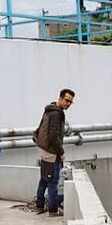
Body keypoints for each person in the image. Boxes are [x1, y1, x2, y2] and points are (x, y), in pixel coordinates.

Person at [33, 88, 75, 217]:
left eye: (71, 102)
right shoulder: (57, 114)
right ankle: (53, 210)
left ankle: (39, 204)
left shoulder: (49, 109)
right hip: (52, 152)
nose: (68, 104)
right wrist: (61, 153)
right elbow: (53, 137)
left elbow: (40, 129)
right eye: (67, 100)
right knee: (53, 182)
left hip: (44, 150)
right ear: (61, 98)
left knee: (45, 179)